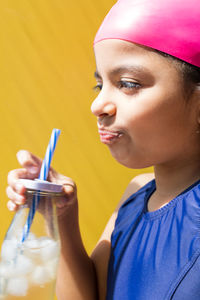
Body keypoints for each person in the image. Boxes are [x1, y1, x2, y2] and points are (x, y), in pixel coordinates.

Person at [6, 0, 200, 299]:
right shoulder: (136, 196)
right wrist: (62, 219)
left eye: (128, 83)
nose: (97, 105)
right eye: (100, 85)